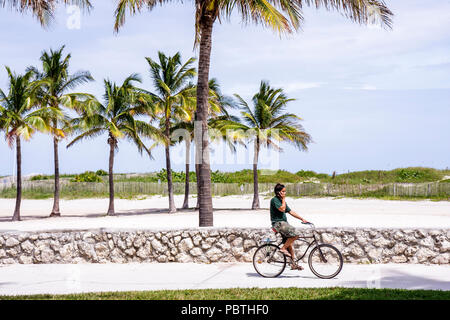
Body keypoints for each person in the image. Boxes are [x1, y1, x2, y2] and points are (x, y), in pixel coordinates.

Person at [270, 183, 309, 270]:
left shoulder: (281, 201)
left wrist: (302, 218)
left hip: (283, 224)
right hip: (278, 224)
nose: (285, 193)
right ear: (278, 192)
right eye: (283, 191)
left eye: (285, 191)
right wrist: (283, 199)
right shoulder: (274, 200)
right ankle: (283, 248)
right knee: (296, 234)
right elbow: (282, 209)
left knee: (289, 245)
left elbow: (290, 212)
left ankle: (293, 264)